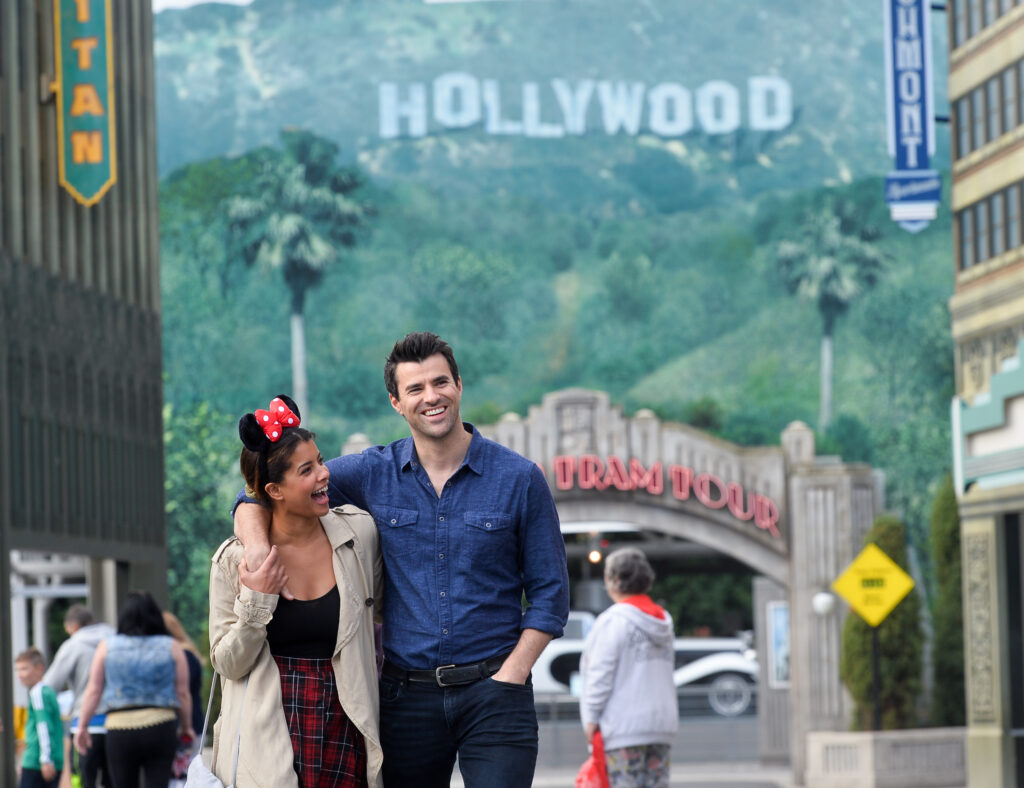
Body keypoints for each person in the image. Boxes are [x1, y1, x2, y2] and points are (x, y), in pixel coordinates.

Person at [235, 332, 570, 788]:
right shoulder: (371, 473)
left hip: (496, 690)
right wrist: (257, 551)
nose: (431, 397)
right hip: (405, 697)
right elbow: (260, 491)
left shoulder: (520, 478)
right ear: (396, 401)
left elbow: (551, 593)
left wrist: (511, 675)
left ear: (459, 385)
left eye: (440, 383)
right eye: (415, 389)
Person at [210, 394, 382, 787]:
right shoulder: (233, 561)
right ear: (274, 490)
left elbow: (383, 612)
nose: (324, 474)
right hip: (267, 728)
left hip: (346, 723)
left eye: (320, 461)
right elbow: (227, 664)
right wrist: (257, 600)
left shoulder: (359, 534)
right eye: (307, 470)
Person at [73, 591, 195, 788]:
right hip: (161, 725)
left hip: (119, 729)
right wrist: (186, 726)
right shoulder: (172, 647)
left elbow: (93, 691)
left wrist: (82, 726)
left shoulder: (107, 647)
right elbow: (182, 693)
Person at [579, 548, 678, 788]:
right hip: (661, 727)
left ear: (614, 579)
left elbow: (599, 676)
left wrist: (590, 720)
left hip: (623, 728)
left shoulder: (613, 621)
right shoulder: (663, 620)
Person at [42, 605, 114, 788]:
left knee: (87, 779)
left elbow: (49, 685)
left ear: (73, 626)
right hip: (118, 721)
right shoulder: (116, 638)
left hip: (87, 724)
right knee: (114, 780)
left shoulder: (73, 645)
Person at [162, 611, 204, 781]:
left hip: (187, 726)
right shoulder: (188, 654)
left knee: (182, 779)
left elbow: (181, 691)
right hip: (191, 724)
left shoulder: (183, 656)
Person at [16, 647, 64, 788]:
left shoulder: (38, 693)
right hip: (51, 760)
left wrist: (46, 759)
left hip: (37, 762)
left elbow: (43, 726)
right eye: (18, 670)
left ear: (39, 668)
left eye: (24, 669)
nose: (20, 674)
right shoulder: (48, 691)